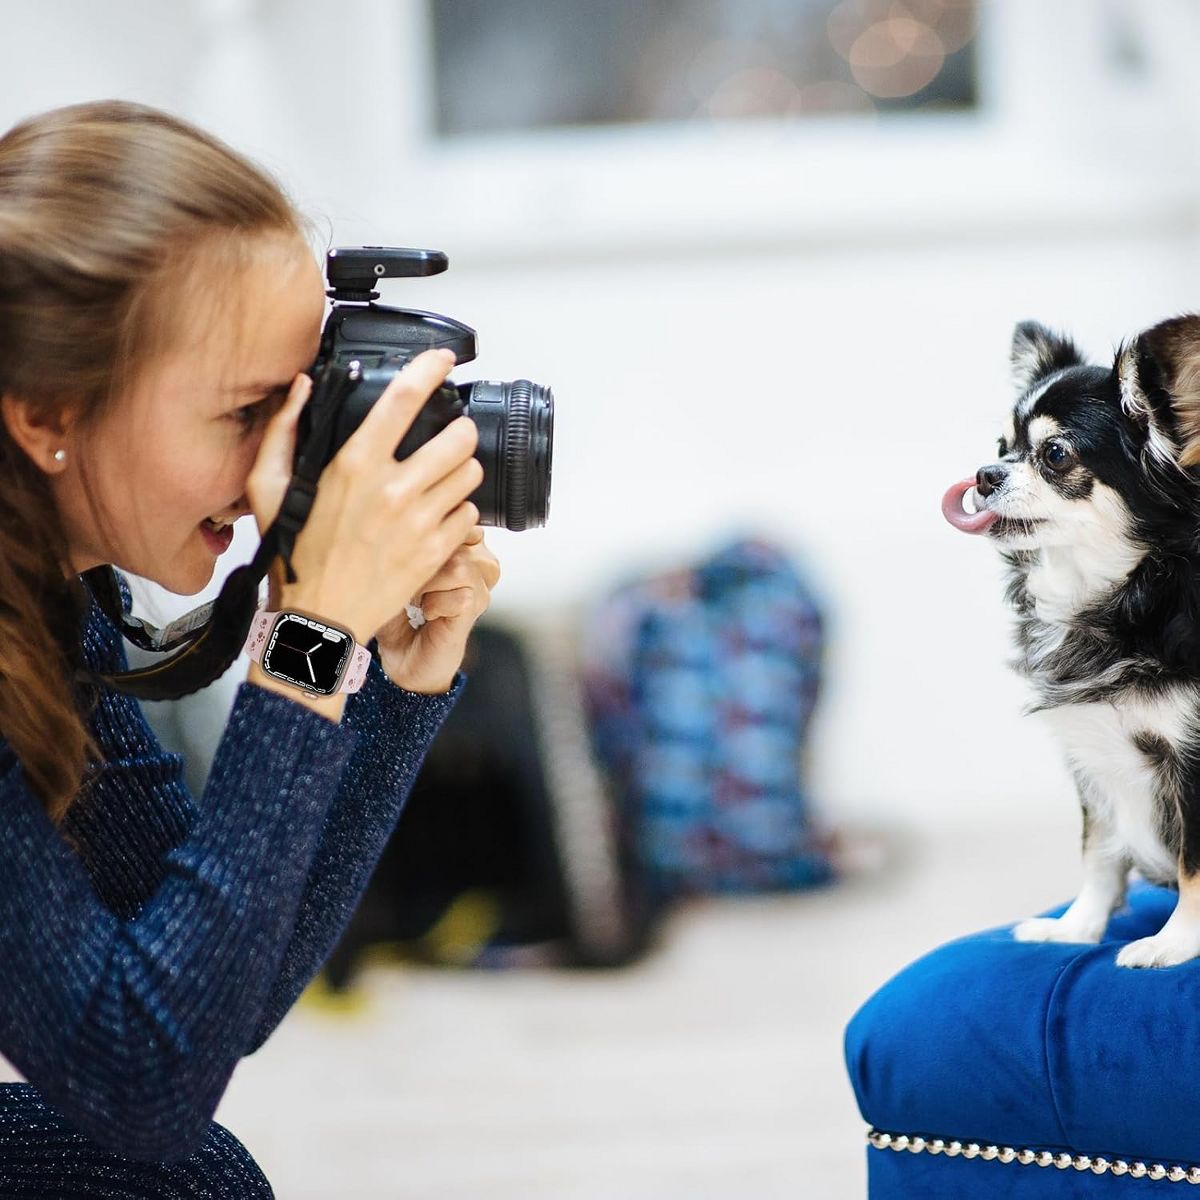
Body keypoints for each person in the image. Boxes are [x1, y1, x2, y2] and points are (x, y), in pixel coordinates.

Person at [0, 99, 500, 1195]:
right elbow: (143, 1080)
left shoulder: (43, 603)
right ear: (47, 414)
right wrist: (307, 638)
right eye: (245, 413)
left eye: (300, 406)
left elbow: (217, 995)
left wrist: (388, 681)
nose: (289, 460)